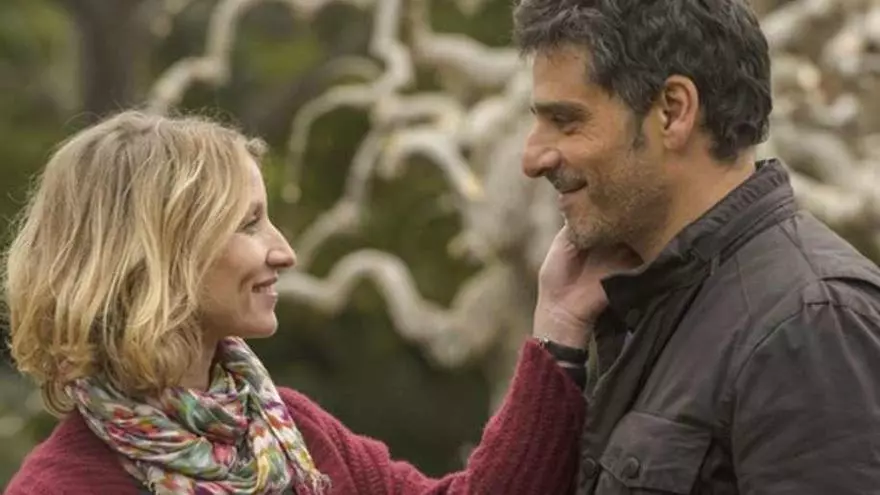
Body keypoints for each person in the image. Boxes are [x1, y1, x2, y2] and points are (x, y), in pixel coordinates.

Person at [2, 111, 634, 495]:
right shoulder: (63, 486)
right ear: (159, 256)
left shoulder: (294, 434)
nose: (284, 252)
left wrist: (558, 323)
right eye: (249, 224)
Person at [513, 0, 880, 493]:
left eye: (566, 120)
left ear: (673, 111)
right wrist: (557, 343)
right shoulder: (652, 305)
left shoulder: (811, 323)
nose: (532, 158)